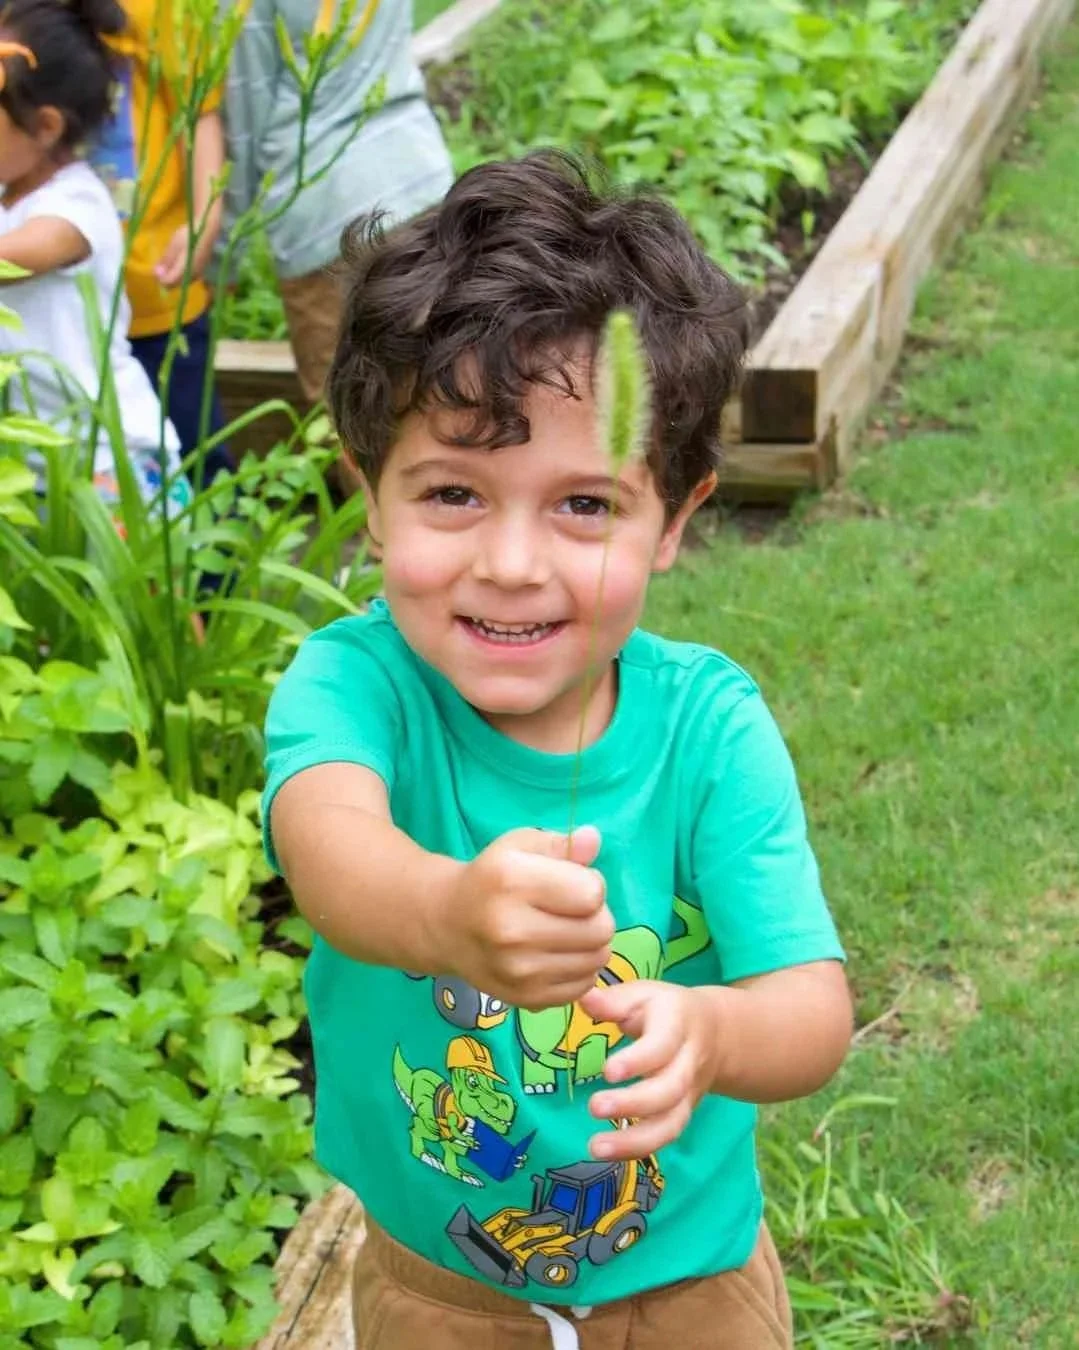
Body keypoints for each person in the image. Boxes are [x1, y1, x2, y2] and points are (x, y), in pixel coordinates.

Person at [262, 152, 853, 1350]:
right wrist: (449, 914)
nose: (514, 563)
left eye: (583, 504)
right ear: (365, 492)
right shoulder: (353, 686)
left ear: (674, 519)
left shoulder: (707, 729)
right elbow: (328, 850)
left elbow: (812, 1008)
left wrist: (714, 1034)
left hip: (693, 1276)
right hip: (441, 1285)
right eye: (452, 494)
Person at [0, 0, 189, 521]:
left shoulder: (76, 204)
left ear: (45, 126)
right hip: (40, 460)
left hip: (113, 456)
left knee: (152, 600)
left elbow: (18, 256)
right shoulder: (7, 194)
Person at [221, 0, 453, 412]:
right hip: (420, 176)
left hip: (325, 211)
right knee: (440, 396)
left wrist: (224, 253)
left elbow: (243, 111)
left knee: (350, 419)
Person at [91, 0, 233, 487]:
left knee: (197, 458)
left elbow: (200, 108)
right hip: (63, 303)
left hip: (157, 285)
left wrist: (204, 218)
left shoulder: (158, 9)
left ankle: (216, 565)